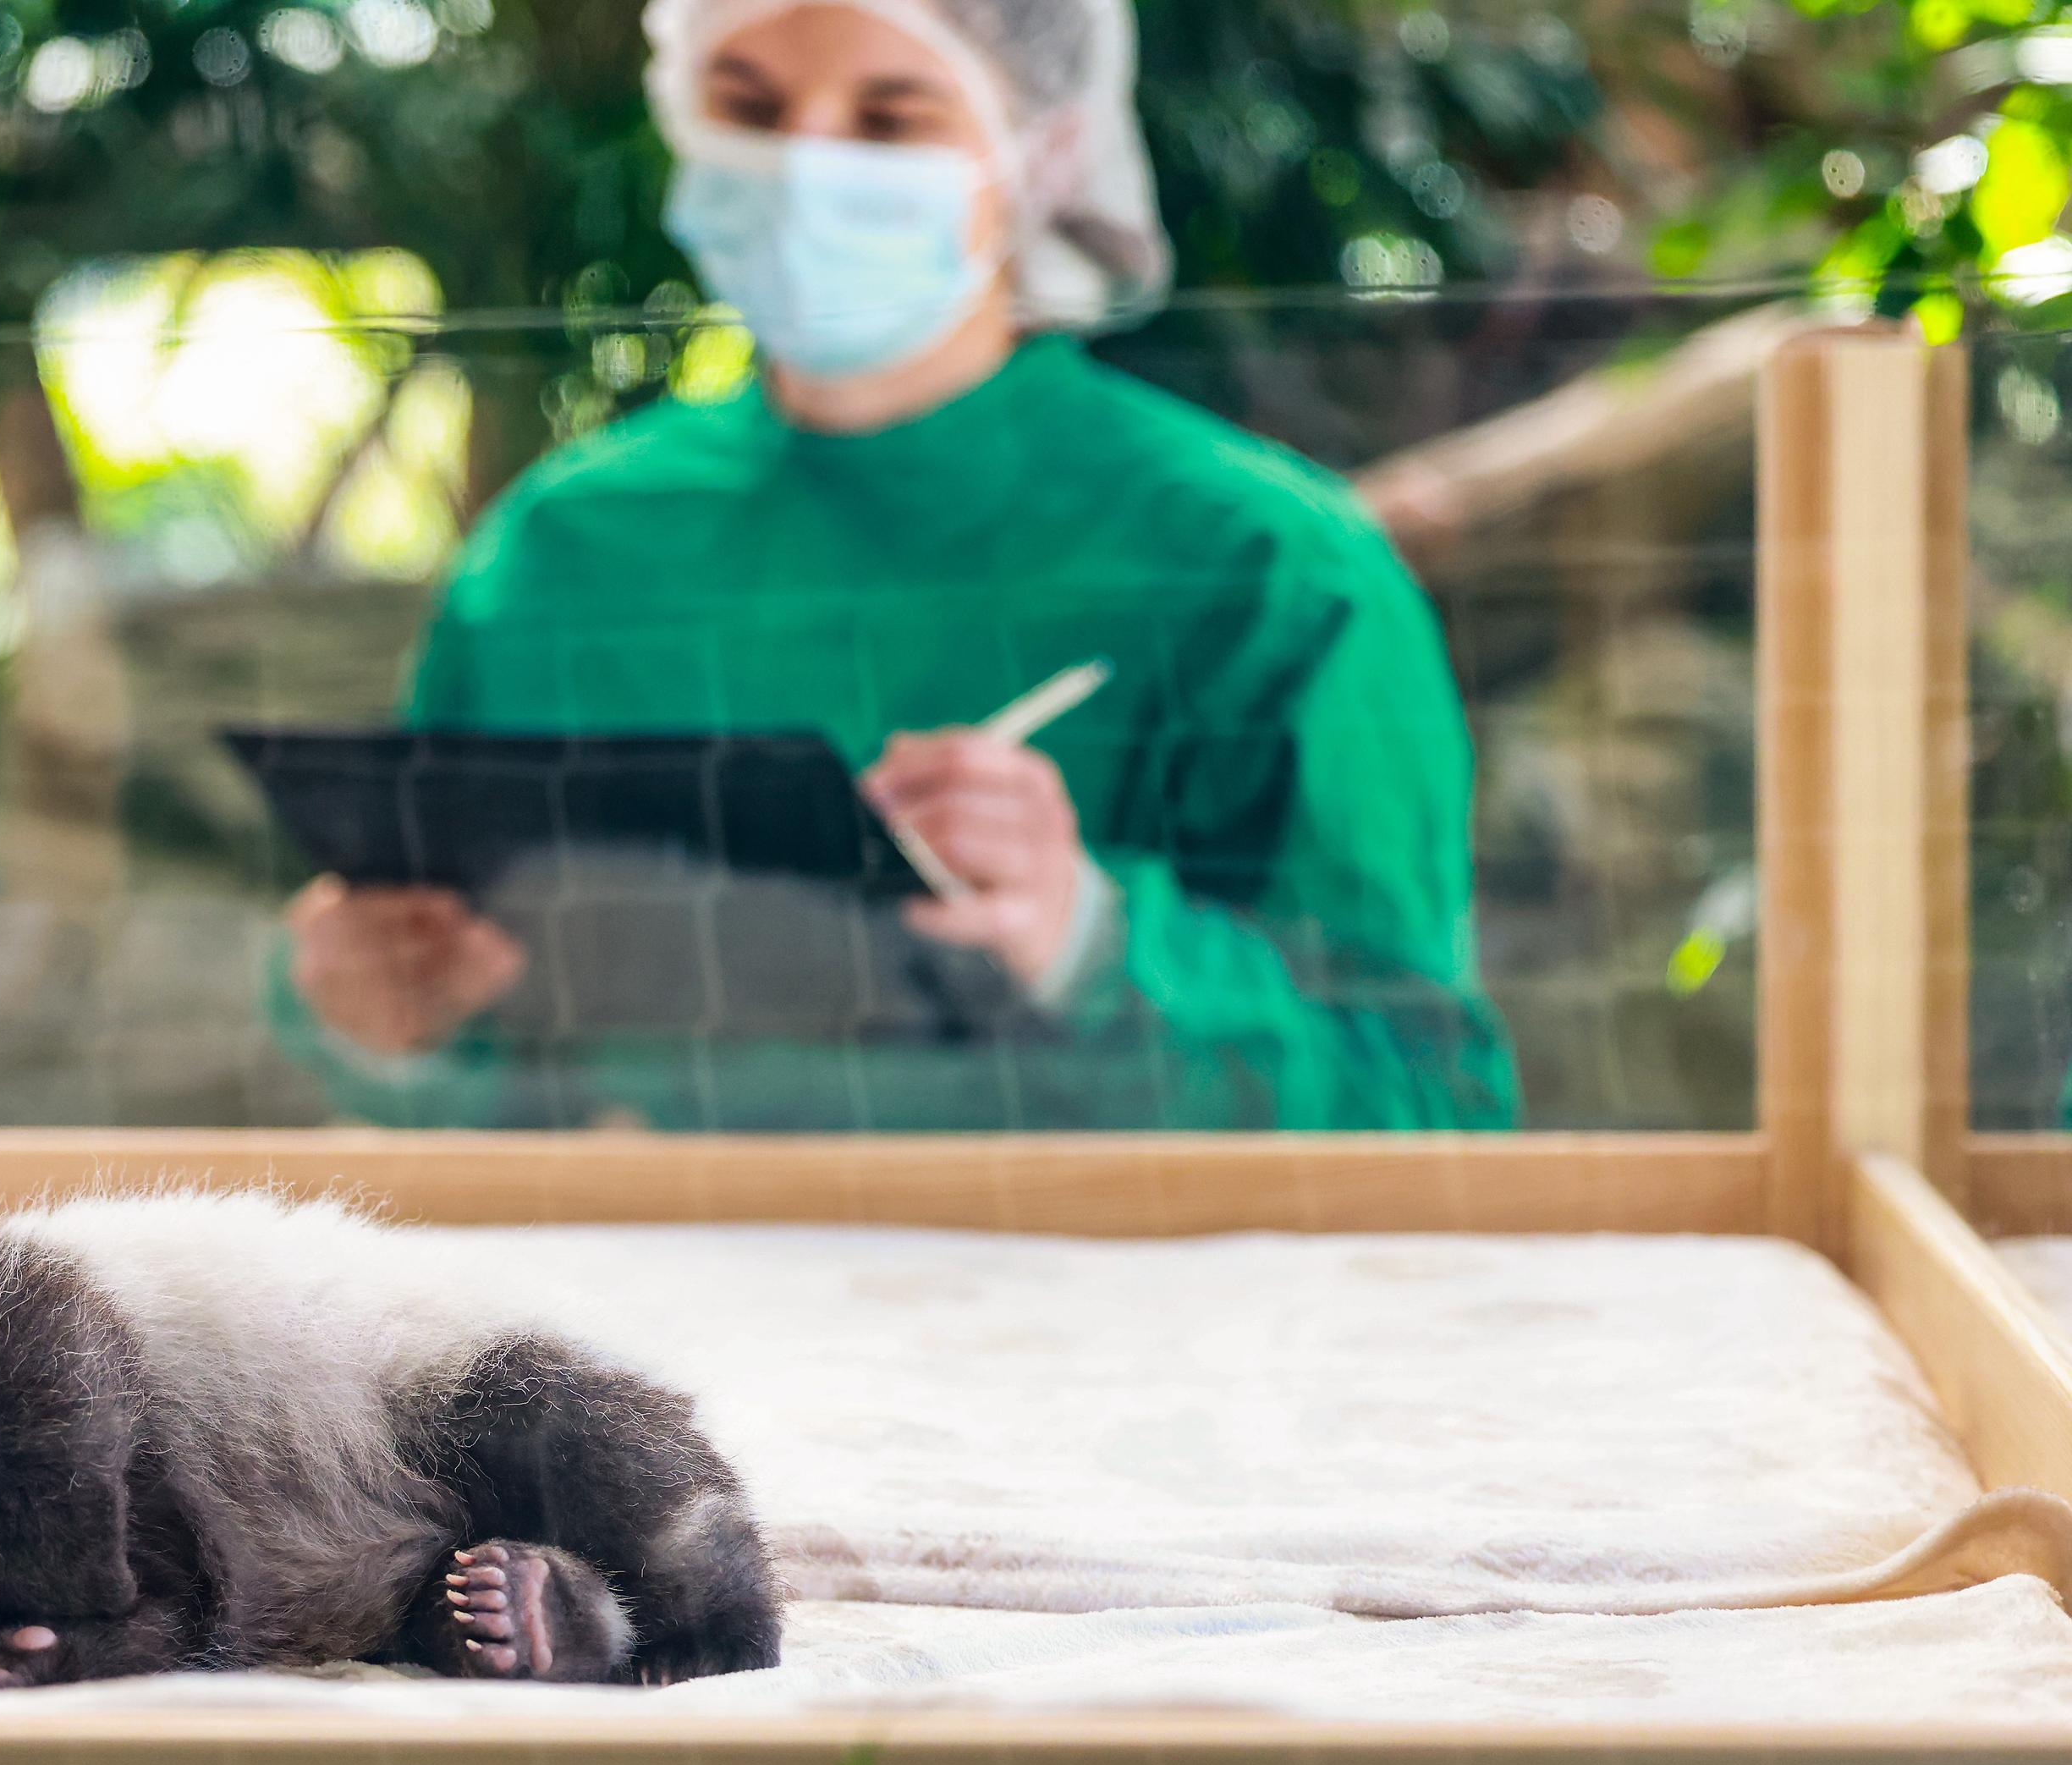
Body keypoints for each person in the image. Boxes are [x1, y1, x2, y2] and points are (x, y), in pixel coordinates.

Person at [264, 0, 1519, 1132]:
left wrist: (1089, 943)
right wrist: (378, 1020)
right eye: (749, 108)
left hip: (1119, 1344)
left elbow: (1433, 1113)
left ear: (1039, 155)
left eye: (891, 115)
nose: (807, 164)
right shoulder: (565, 551)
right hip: (663, 1325)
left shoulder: (1270, 570)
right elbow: (500, 1067)